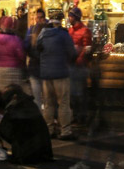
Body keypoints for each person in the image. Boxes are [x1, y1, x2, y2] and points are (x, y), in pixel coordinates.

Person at [37, 12, 76, 140]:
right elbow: (72, 52)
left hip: (46, 74)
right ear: (60, 20)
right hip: (61, 72)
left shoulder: (42, 34)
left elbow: (37, 50)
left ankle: (49, 129)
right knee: (63, 102)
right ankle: (65, 131)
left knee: (48, 103)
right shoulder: (63, 34)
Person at [67, 7, 92, 125]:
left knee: (80, 93)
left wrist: (78, 60)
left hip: (80, 67)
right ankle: (75, 115)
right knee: (72, 94)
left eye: (70, 16)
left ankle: (82, 116)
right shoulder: (70, 31)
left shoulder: (85, 31)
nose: (69, 18)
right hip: (72, 66)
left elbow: (87, 49)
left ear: (75, 17)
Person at [0, 16, 26, 92]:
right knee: (13, 93)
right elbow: (21, 55)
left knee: (0, 93)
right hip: (13, 70)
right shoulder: (15, 39)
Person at [25, 8, 49, 109]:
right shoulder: (32, 29)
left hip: (44, 70)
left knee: (46, 98)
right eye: (37, 17)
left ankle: (46, 119)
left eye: (41, 18)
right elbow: (26, 46)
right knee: (38, 97)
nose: (39, 20)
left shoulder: (48, 30)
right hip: (36, 69)